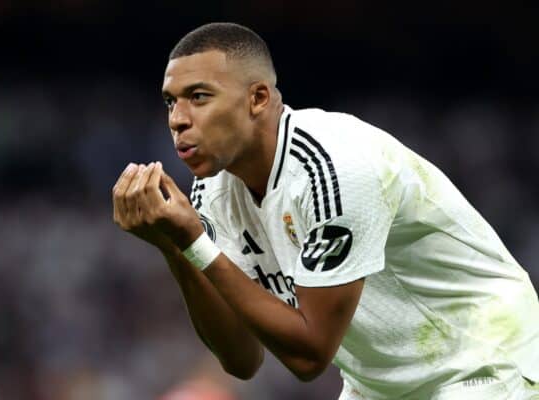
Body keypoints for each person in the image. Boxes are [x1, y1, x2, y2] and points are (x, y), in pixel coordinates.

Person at [112, 22, 539, 399]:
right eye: (171, 102)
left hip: (481, 361)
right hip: (381, 384)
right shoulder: (214, 190)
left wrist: (193, 241)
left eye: (199, 97)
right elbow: (242, 360)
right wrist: (178, 249)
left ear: (258, 98)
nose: (177, 119)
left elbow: (310, 355)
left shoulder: (333, 167)